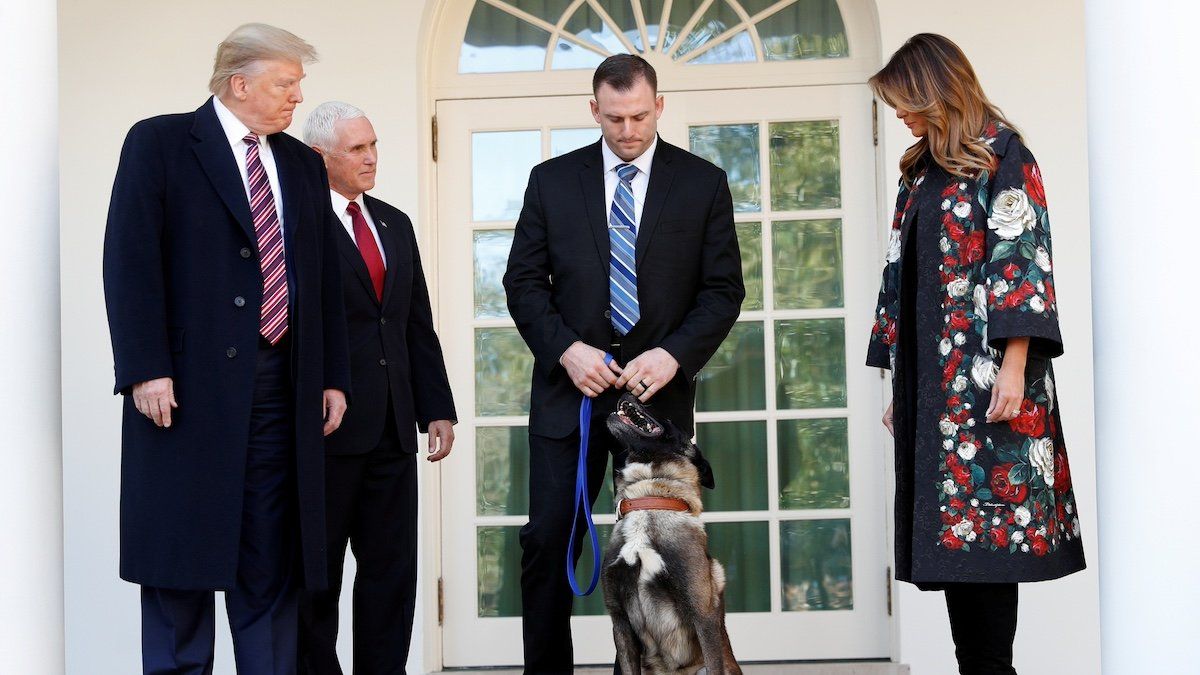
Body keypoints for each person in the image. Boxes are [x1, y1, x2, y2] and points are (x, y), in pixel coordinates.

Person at [102, 23, 351, 674]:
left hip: (282, 390)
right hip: (182, 392)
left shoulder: (299, 163)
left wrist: (330, 375)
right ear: (239, 84)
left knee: (271, 560)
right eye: (285, 83)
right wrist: (145, 367)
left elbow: (320, 279)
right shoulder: (158, 143)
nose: (297, 97)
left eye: (298, 85)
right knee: (180, 563)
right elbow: (130, 262)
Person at [503, 54, 745, 673]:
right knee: (548, 542)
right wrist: (566, 350)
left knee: (666, 555)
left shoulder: (703, 183)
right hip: (571, 396)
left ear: (659, 106)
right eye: (614, 119)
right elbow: (524, 283)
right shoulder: (551, 181)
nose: (628, 130)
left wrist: (673, 356)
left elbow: (723, 291)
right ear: (594, 111)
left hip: (656, 404)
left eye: (639, 115)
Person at [865, 34, 1086, 674]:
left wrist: (1015, 366)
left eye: (905, 102)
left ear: (935, 89)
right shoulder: (921, 171)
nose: (899, 115)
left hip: (990, 385)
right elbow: (898, 280)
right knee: (955, 545)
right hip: (934, 387)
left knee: (987, 540)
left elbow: (1022, 261)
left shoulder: (1005, 158)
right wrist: (899, 385)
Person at [297, 101, 457, 674]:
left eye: (373, 145)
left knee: (392, 574)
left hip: (394, 427)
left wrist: (436, 407)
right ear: (321, 157)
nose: (370, 159)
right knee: (318, 580)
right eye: (356, 149)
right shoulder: (297, 222)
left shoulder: (393, 221)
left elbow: (414, 321)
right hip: (328, 430)